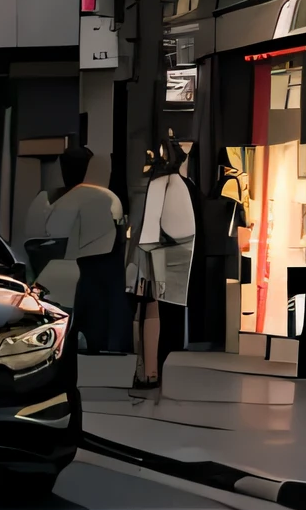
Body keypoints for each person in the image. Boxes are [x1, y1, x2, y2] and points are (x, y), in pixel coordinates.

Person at [129, 134, 197, 390]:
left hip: (160, 254)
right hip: (167, 254)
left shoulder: (163, 183)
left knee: (152, 310)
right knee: (155, 311)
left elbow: (148, 228)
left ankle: (149, 371)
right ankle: (150, 371)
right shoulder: (177, 183)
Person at [42, 143, 123, 353]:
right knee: (97, 308)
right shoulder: (107, 196)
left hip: (73, 261)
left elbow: (52, 230)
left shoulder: (61, 198)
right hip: (104, 260)